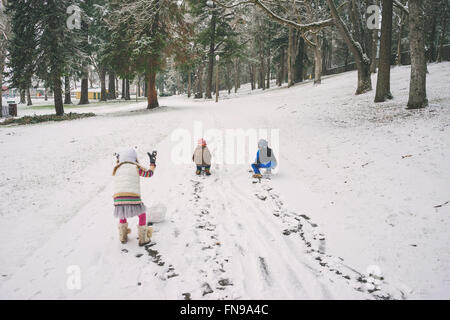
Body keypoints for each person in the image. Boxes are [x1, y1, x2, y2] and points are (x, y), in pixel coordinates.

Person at [113, 148, 156, 246]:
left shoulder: (117, 169)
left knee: (122, 214)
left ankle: (122, 236)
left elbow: (120, 163)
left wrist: (118, 158)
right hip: (132, 196)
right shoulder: (135, 167)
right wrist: (152, 163)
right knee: (142, 215)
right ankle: (143, 238)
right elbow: (149, 174)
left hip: (118, 198)